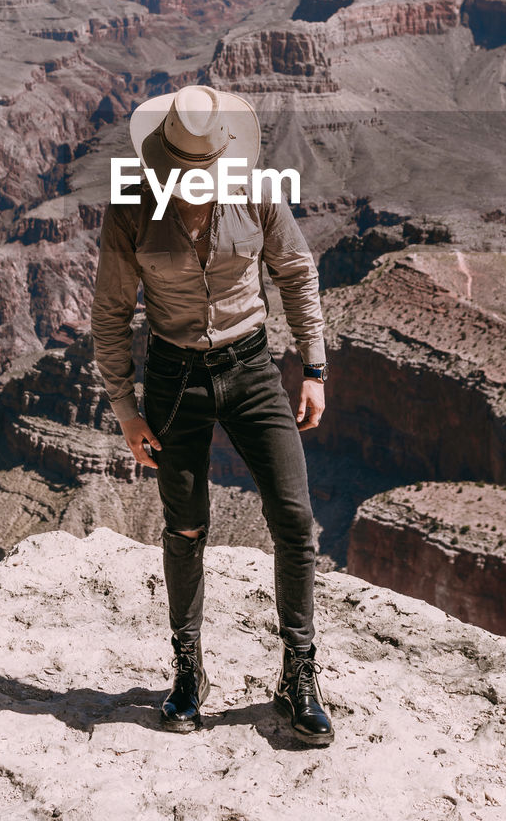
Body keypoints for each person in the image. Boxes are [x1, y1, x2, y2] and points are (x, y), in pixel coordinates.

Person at [90, 84, 333, 745]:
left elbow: (294, 270)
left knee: (292, 519)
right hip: (174, 381)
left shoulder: (254, 190)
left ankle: (299, 679)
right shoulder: (131, 207)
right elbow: (110, 316)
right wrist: (125, 407)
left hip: (252, 369)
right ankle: (188, 674)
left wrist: (312, 367)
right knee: (186, 527)